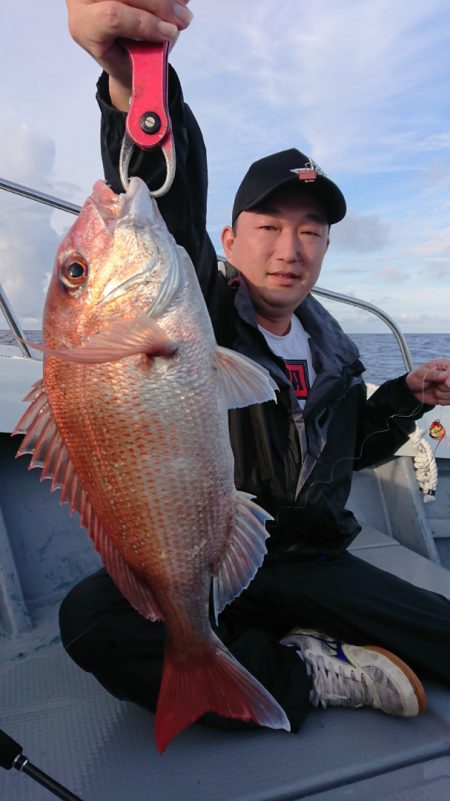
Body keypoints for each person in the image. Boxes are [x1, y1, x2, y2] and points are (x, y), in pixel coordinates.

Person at [61, 0, 450, 735]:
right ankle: (309, 671)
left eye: (311, 231)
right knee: (89, 620)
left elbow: (347, 450)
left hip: (311, 559)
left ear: (328, 249)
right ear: (228, 240)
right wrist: (135, 86)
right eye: (269, 227)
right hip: (208, 553)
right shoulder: (194, 307)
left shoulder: (334, 351)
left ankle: (280, 649)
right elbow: (163, 202)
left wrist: (400, 398)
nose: (290, 248)